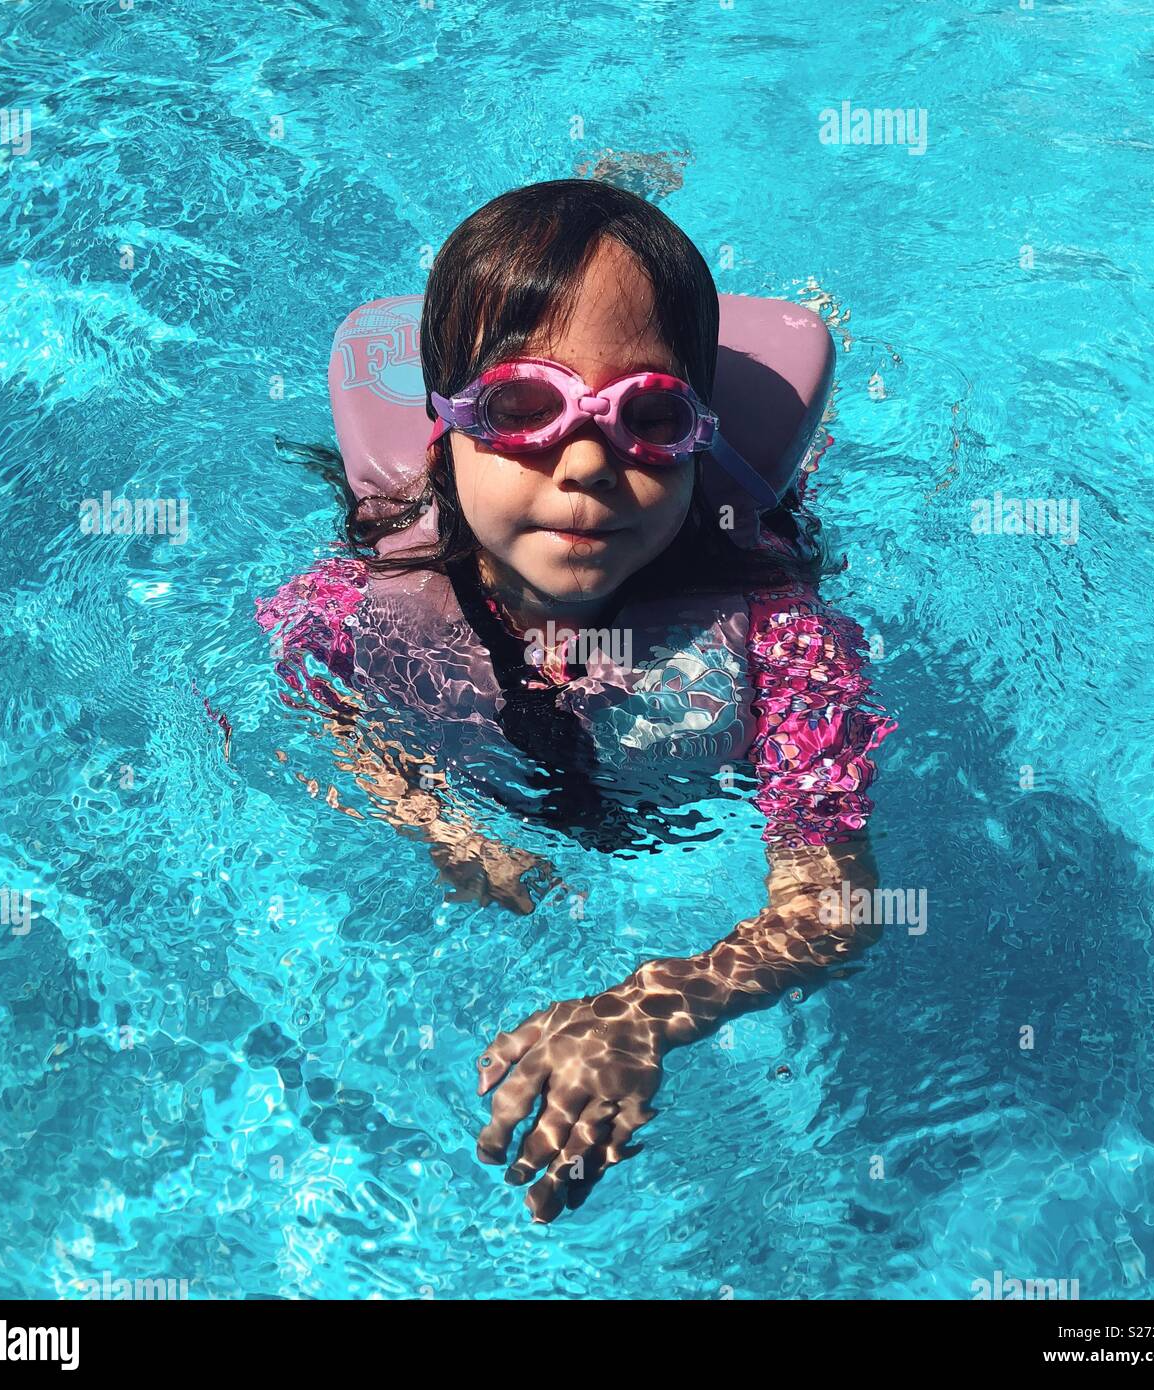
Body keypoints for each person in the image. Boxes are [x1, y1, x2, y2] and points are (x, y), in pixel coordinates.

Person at [258, 178, 894, 1222]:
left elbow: (836, 904)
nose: (589, 462)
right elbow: (313, 689)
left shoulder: (781, 642)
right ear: (443, 425)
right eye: (521, 408)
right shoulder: (364, 598)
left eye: (648, 415)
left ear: (697, 428)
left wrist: (647, 1012)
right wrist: (433, 824)